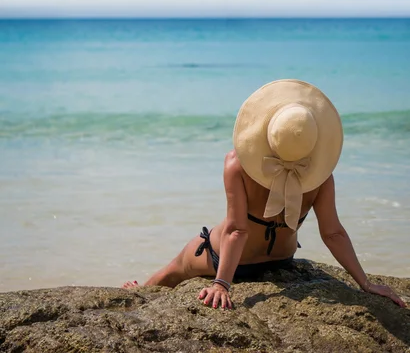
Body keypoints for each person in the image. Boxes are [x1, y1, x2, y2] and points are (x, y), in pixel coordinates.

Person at [123, 79, 405, 310]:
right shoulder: (320, 176)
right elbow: (333, 234)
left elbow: (236, 231)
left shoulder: (237, 163)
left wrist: (221, 284)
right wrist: (365, 284)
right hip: (282, 258)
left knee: (175, 268)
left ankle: (139, 295)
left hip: (229, 262)